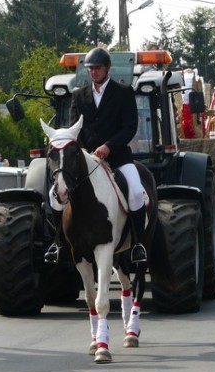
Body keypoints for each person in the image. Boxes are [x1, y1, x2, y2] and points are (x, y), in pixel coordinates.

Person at [45, 47, 147, 264]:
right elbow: (74, 129)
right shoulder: (79, 95)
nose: (93, 72)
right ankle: (57, 243)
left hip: (117, 157)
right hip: (87, 160)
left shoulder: (124, 92)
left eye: (97, 68)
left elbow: (129, 127)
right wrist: (80, 151)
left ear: (107, 68)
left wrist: (109, 146)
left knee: (137, 192)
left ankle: (138, 244)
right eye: (90, 69)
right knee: (56, 195)